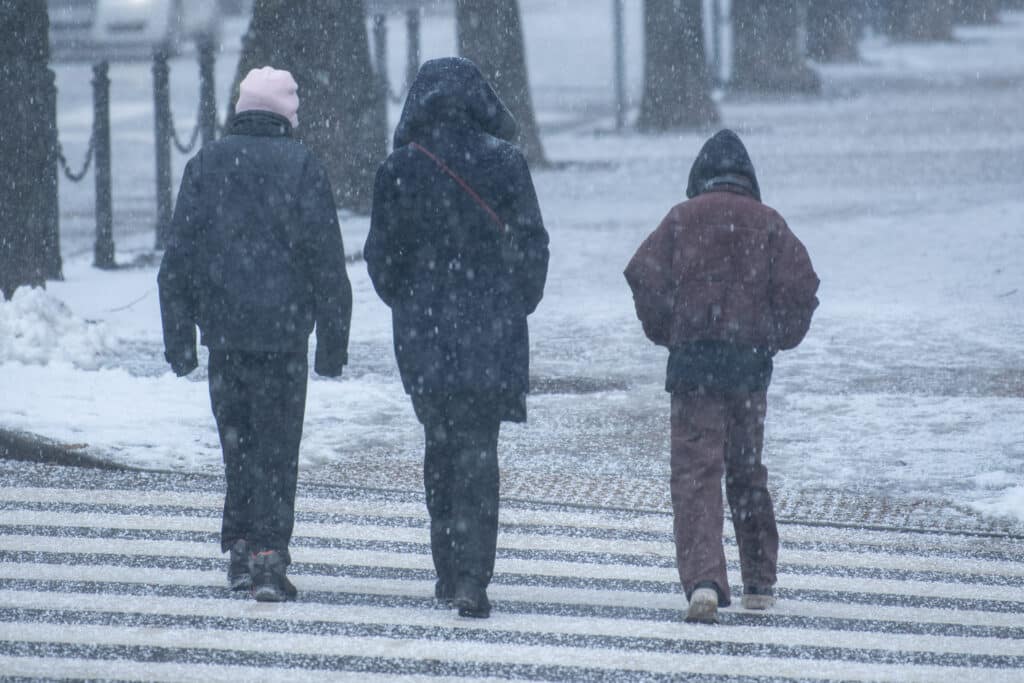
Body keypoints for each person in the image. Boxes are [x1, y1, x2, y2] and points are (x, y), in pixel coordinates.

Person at [158, 66, 352, 602]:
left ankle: (240, 548)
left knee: (237, 444)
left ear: (242, 110)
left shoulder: (207, 164)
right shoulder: (303, 166)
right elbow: (326, 263)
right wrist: (331, 346)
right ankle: (270, 555)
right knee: (277, 446)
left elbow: (178, 260)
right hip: (284, 336)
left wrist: (180, 341)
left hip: (225, 336)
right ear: (287, 115)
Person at [364, 57, 549, 619]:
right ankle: (473, 575)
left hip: (426, 336)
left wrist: (412, 302)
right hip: (489, 335)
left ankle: (447, 568)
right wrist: (513, 302)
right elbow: (533, 248)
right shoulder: (506, 164)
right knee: (478, 452)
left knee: (439, 448)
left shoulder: (400, 169)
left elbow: (381, 260)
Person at [624, 129, 819, 624]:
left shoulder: (680, 219)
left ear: (700, 176)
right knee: (747, 470)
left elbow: (643, 275)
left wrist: (671, 330)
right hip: (748, 367)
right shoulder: (769, 223)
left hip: (693, 367)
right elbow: (802, 287)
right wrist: (772, 336)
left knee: (696, 473)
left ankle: (705, 582)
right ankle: (759, 580)